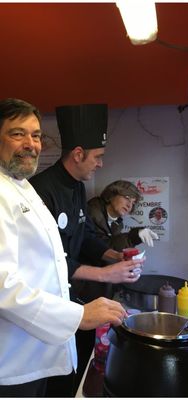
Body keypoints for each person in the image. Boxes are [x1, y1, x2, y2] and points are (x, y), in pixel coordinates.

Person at [0, 98, 126, 397]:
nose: (31, 143)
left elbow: (55, 258)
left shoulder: (23, 186)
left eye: (35, 135)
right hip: (13, 361)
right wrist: (77, 316)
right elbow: (3, 285)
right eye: (18, 134)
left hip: (41, 349)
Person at [29, 104, 144, 396]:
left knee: (77, 369)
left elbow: (87, 237)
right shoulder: (40, 190)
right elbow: (49, 259)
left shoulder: (78, 187)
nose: (101, 164)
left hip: (74, 299)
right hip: (46, 306)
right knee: (52, 381)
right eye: (98, 157)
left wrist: (117, 257)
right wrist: (107, 273)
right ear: (78, 154)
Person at [87, 180, 157, 251]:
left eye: (133, 203)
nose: (129, 205)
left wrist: (136, 234)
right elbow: (100, 249)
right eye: (127, 197)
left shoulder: (118, 223)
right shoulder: (91, 214)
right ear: (112, 194)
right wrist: (133, 237)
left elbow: (113, 245)